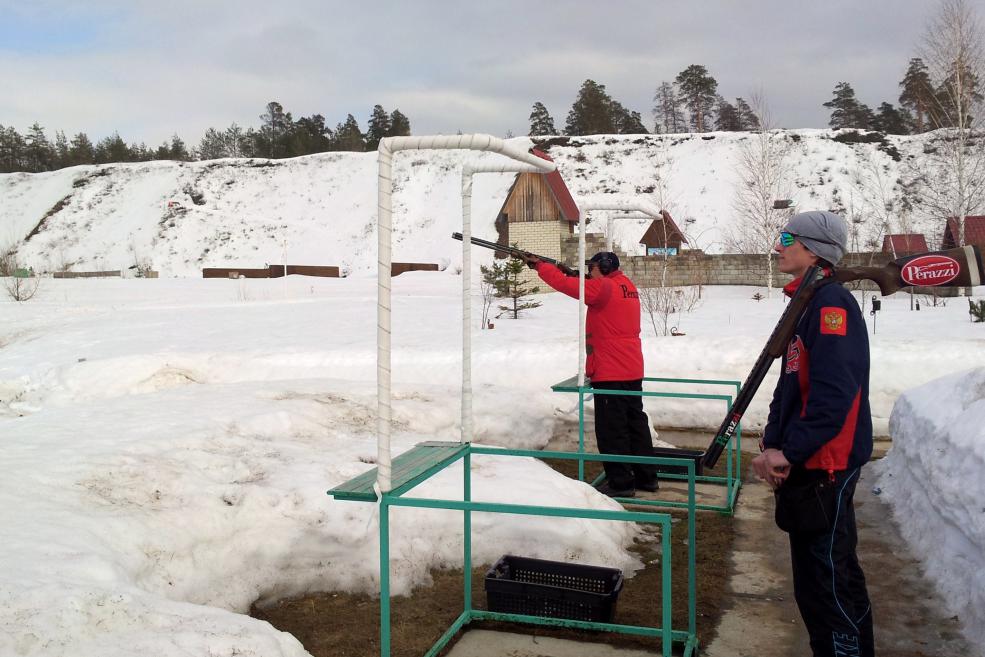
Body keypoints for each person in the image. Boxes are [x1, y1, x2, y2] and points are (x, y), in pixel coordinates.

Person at [752, 211, 874, 657]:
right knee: (822, 579)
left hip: (827, 463)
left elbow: (833, 395)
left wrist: (792, 450)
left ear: (814, 249)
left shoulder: (830, 305)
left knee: (828, 584)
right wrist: (774, 442)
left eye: (787, 239)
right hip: (811, 460)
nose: (778, 246)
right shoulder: (808, 302)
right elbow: (790, 384)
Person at [521, 250, 658, 498]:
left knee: (612, 429)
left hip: (610, 370)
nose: (589, 272)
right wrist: (574, 274)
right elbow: (588, 286)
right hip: (631, 368)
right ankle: (646, 477)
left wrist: (541, 266)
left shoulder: (603, 287)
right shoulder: (626, 285)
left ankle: (621, 483)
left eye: (592, 268)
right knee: (635, 423)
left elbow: (565, 285)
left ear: (603, 268)